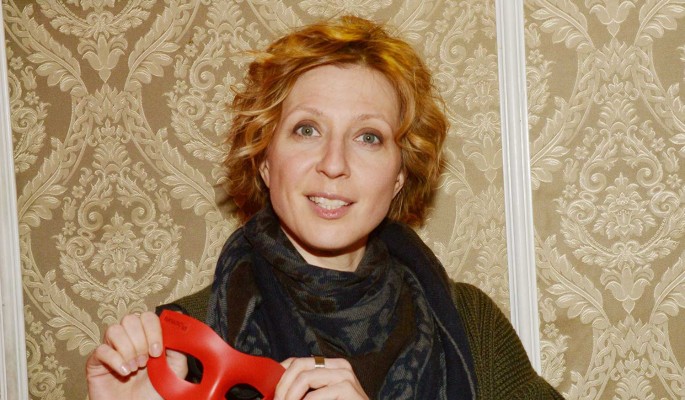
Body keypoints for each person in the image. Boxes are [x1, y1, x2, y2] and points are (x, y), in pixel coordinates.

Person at [86, 15, 564, 400]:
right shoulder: (184, 346)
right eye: (307, 130)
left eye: (368, 137)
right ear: (265, 160)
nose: (334, 164)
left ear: (400, 174)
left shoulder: (469, 326)